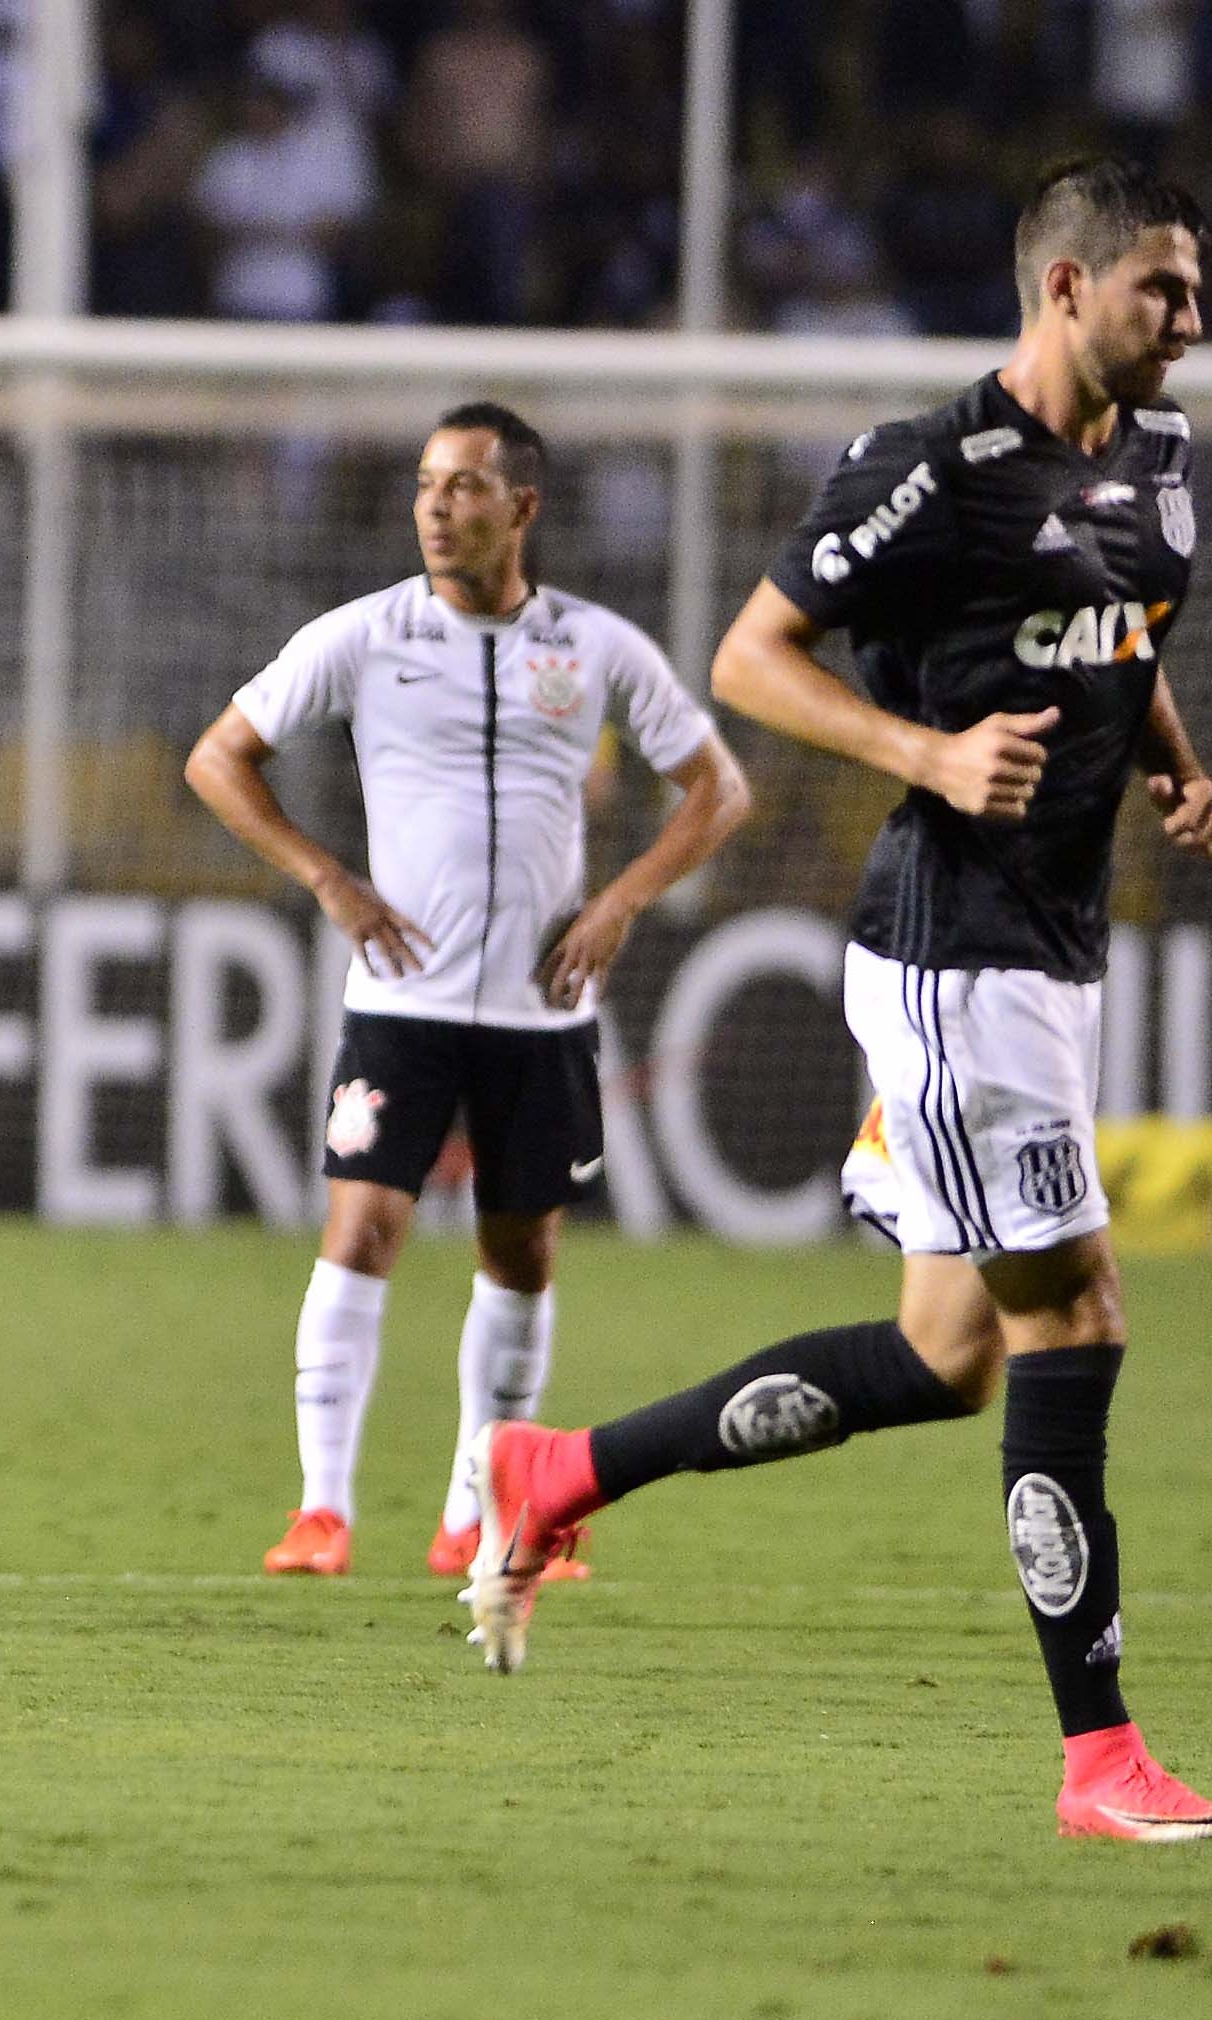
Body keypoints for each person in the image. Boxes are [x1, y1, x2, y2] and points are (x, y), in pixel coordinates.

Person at [464, 158, 1212, 1843]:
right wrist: (925, 752)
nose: (1190, 315)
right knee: (1077, 1320)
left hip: (1053, 952)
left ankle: (557, 1471)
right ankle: (1098, 1757)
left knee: (945, 1357)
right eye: (1161, 286)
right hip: (954, 957)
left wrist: (1169, 761)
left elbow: (1124, 627)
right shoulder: (929, 469)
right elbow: (748, 656)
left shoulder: (1161, 463)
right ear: (1065, 287)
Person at [184, 403, 751, 1582]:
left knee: (523, 1250)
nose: (437, 508)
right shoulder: (365, 633)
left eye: (466, 486)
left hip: (543, 1009)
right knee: (363, 1227)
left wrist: (621, 901)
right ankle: (321, 1511)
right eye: (427, 485)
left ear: (523, 507)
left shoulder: (594, 646)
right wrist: (327, 877)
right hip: (402, 1000)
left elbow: (719, 789)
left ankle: (476, 1518)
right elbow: (218, 757)